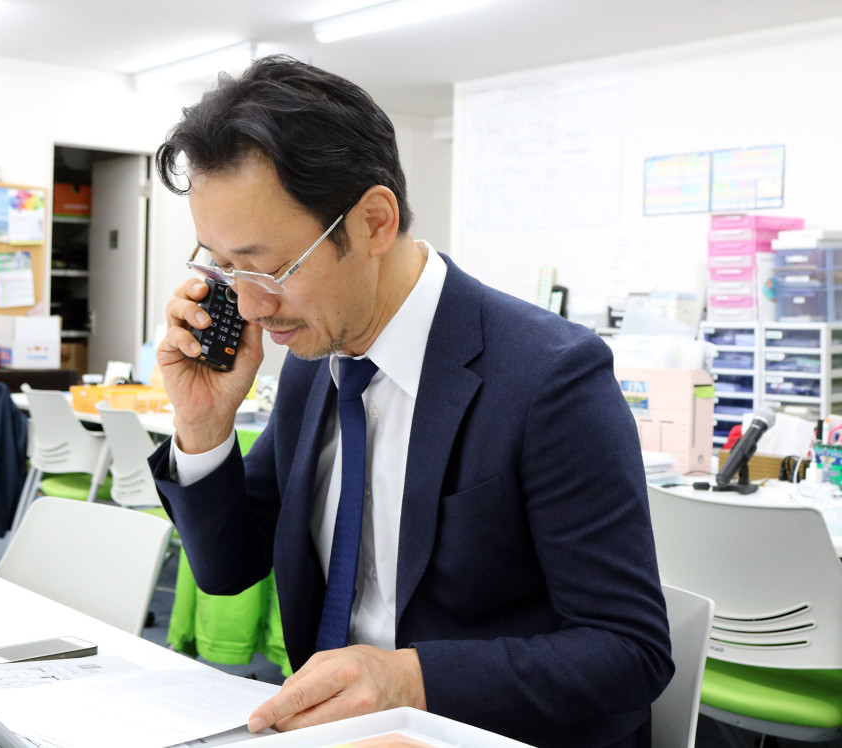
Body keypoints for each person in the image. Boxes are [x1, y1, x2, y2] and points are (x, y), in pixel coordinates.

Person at [148, 55, 672, 748]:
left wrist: (409, 680)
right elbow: (228, 572)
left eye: (269, 267)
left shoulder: (549, 377)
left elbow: (628, 652)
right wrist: (204, 424)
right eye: (222, 265)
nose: (247, 303)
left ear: (373, 222)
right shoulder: (317, 358)